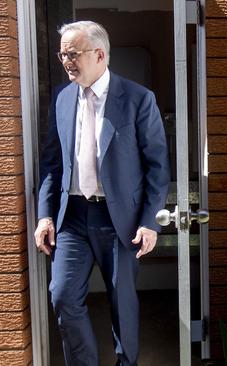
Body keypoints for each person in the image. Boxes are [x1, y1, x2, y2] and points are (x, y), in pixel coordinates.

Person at [34, 20, 170, 366]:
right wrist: (45, 215)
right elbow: (52, 163)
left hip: (119, 219)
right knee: (62, 296)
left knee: (122, 304)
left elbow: (157, 166)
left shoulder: (138, 99)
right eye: (62, 53)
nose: (66, 60)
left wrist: (149, 221)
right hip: (73, 218)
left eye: (73, 53)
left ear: (99, 55)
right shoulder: (63, 99)